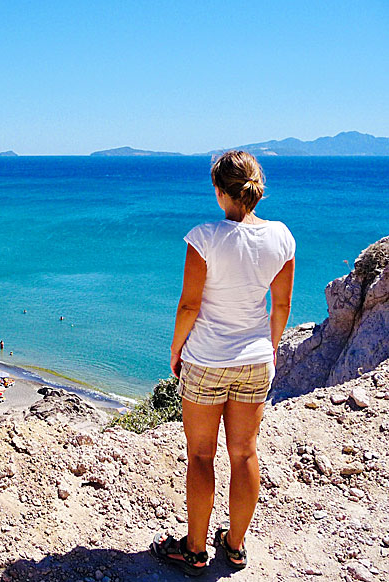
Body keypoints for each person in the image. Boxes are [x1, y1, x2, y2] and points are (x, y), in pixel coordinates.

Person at [150, 151, 295, 576]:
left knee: (200, 455)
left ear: (219, 191)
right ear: (256, 189)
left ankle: (194, 551)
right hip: (256, 360)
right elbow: (280, 306)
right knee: (245, 453)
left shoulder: (204, 238)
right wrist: (270, 348)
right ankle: (234, 546)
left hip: (206, 361)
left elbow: (189, 306)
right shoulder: (281, 237)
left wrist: (175, 350)